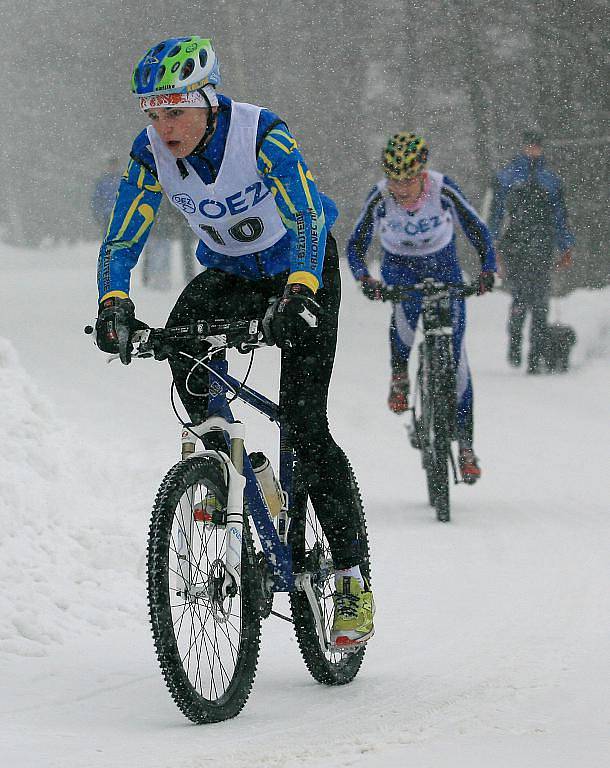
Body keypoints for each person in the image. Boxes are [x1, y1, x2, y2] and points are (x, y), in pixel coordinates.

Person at [94, 36, 374, 648]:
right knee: (180, 347)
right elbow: (121, 241)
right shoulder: (150, 155)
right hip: (234, 275)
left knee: (303, 423)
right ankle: (228, 472)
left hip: (304, 268)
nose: (162, 126)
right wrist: (113, 304)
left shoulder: (260, 134)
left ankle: (350, 580)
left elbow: (305, 216)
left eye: (174, 109)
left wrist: (300, 292)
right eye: (152, 111)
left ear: (206, 99)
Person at [346, 132, 496, 484]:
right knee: (406, 322)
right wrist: (365, 279)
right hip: (400, 267)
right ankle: (400, 375)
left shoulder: (443, 189)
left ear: (423, 173)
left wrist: (487, 269)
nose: (401, 189)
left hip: (442, 266)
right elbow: (356, 246)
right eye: (395, 180)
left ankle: (466, 447)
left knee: (457, 360)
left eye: (409, 180)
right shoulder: (380, 197)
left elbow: (478, 230)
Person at [489, 129, 575, 374]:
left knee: (540, 303)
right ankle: (515, 345)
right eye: (530, 146)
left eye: (537, 146)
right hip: (516, 246)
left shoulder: (551, 180)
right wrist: (492, 245)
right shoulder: (507, 176)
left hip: (542, 247)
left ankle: (535, 355)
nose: (533, 150)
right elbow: (496, 214)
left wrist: (565, 246)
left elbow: (560, 217)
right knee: (520, 297)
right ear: (523, 147)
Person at [91, 156, 123, 233]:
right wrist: (98, 215)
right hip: (107, 216)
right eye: (110, 165)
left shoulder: (123, 179)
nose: (112, 167)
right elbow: (96, 199)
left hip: (121, 214)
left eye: (114, 165)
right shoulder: (102, 181)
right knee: (108, 236)